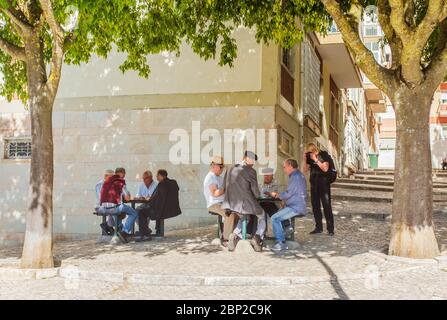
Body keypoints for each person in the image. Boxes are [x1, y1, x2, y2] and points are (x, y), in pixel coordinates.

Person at [221, 151, 266, 252]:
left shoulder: (230, 168)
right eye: (252, 160)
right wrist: (259, 195)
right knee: (262, 216)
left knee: (244, 217)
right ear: (246, 158)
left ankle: (235, 235)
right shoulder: (251, 171)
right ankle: (257, 237)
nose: (253, 163)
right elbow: (256, 192)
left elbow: (224, 187)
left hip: (230, 203)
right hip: (245, 204)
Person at [268, 159, 307, 251]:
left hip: (295, 207)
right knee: (279, 211)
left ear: (290, 166)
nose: (284, 169)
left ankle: (280, 243)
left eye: (285, 167)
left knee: (274, 218)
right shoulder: (298, 175)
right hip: (296, 205)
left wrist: (278, 195)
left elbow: (289, 193)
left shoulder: (295, 177)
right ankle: (287, 227)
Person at [137, 169, 182, 242]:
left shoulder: (162, 184)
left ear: (161, 176)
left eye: (157, 175)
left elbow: (156, 199)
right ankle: (157, 230)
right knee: (150, 208)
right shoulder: (173, 182)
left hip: (161, 210)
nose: (156, 177)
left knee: (141, 211)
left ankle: (145, 234)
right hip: (171, 209)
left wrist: (149, 200)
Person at [203, 156, 238, 246]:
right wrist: (226, 188)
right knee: (229, 213)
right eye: (220, 167)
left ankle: (234, 235)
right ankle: (226, 239)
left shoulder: (219, 177)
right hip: (214, 203)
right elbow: (215, 193)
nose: (222, 169)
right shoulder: (211, 177)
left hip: (222, 202)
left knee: (238, 212)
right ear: (213, 165)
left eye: (222, 167)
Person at [99, 167, 139, 243]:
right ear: (122, 173)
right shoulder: (120, 181)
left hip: (103, 208)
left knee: (118, 211)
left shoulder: (106, 181)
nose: (124, 176)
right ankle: (124, 232)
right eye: (124, 174)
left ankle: (115, 228)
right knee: (134, 213)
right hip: (114, 207)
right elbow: (127, 198)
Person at [303, 143, 335, 236]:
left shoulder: (323, 155)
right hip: (314, 184)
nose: (310, 154)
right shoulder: (309, 158)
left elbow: (325, 168)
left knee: (326, 206)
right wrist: (304, 159)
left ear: (314, 149)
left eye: (310, 152)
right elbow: (304, 170)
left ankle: (330, 229)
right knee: (315, 206)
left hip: (324, 184)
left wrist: (315, 159)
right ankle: (318, 227)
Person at [95, 169, 115, 235]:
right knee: (114, 211)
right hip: (100, 207)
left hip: (109, 206)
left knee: (120, 211)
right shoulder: (99, 185)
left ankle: (108, 225)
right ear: (105, 176)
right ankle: (116, 228)